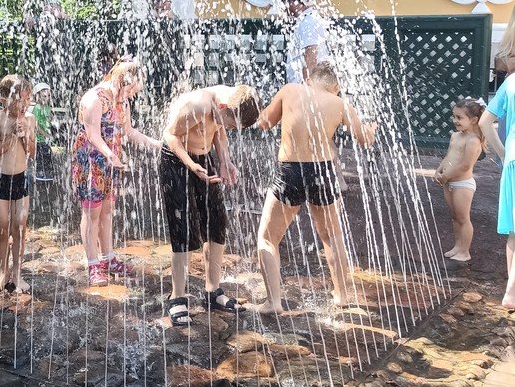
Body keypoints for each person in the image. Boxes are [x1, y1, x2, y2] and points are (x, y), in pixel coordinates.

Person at [256, 63, 376, 315]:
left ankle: (273, 302)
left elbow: (264, 122)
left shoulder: (291, 89)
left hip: (291, 169)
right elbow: (364, 139)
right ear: (336, 86)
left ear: (310, 80)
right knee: (331, 236)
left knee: (268, 239)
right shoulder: (341, 104)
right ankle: (341, 295)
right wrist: (370, 131)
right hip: (323, 171)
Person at [160, 85, 260, 326]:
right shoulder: (198, 105)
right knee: (183, 228)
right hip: (176, 160)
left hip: (203, 159)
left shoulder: (231, 99)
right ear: (223, 107)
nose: (229, 128)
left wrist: (225, 161)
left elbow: (219, 131)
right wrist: (190, 165)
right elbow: (170, 135)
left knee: (217, 222)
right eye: (231, 124)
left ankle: (212, 291)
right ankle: (177, 297)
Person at [72, 59, 159, 286]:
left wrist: (156, 144)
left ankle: (108, 258)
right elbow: (92, 135)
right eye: (130, 90)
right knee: (92, 213)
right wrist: (109, 154)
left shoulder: (122, 102)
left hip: (112, 162)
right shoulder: (94, 99)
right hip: (91, 162)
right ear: (121, 81)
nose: (131, 95)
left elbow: (129, 131)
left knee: (108, 210)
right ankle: (93, 264)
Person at [0, 74, 36, 294]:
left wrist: (26, 136)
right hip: (0, 178)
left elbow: (32, 153)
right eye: (19, 100)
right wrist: (9, 136)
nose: (24, 104)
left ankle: (17, 273)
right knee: (2, 226)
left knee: (19, 225)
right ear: (4, 100)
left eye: (27, 99)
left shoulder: (30, 120)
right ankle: (3, 273)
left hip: (20, 178)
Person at [479, 72, 515, 311]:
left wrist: (503, 153)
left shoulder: (511, 81)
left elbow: (484, 122)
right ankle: (511, 292)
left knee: (514, 231)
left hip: (512, 160)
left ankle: (512, 292)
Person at [434, 98, 486, 263]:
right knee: (455, 216)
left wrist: (446, 175)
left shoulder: (473, 141)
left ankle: (465, 251)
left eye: (459, 117)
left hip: (462, 184)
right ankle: (457, 245)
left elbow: (465, 165)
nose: (455, 120)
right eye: (454, 116)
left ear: (474, 120)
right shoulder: (455, 136)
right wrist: (439, 170)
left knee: (463, 218)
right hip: (449, 181)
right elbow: (448, 156)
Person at [281, 0, 330, 84]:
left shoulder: (307, 22)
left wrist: (307, 88)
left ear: (294, 2)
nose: (282, 7)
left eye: (284, 2)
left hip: (304, 86)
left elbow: (311, 57)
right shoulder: (307, 20)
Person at [29, 81, 54, 181]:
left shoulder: (47, 107)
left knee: (48, 154)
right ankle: (39, 173)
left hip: (45, 138)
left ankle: (48, 172)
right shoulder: (37, 108)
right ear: (37, 96)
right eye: (43, 96)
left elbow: (49, 119)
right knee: (41, 155)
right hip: (38, 139)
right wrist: (46, 135)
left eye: (47, 96)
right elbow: (35, 126)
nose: (46, 99)